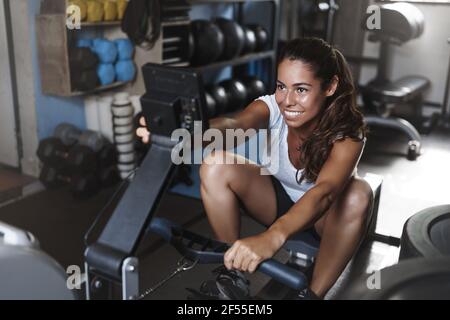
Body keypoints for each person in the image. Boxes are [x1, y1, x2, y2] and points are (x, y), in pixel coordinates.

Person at [137, 37, 373, 299]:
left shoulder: (349, 131)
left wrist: (272, 237)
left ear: (330, 86)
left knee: (358, 194)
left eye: (302, 90)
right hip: (276, 201)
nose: (288, 100)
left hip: (324, 218)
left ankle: (312, 295)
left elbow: (326, 193)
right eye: (282, 86)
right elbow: (233, 125)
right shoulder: (272, 107)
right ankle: (232, 274)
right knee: (215, 164)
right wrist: (184, 132)